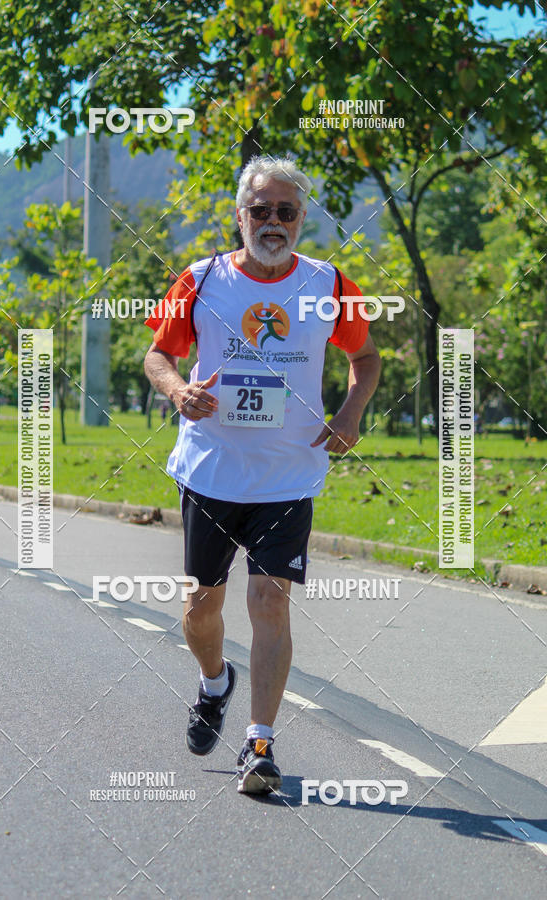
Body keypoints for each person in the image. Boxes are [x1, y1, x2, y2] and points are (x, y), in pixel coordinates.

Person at [144, 156, 381, 794]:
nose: (272, 222)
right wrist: (176, 390)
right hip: (212, 471)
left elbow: (364, 357)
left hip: (288, 475)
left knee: (269, 600)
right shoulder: (202, 280)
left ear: (302, 218)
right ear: (239, 216)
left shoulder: (330, 285)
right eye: (260, 211)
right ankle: (214, 680)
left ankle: (259, 743)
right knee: (201, 605)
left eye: (286, 211)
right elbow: (158, 353)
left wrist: (352, 412)